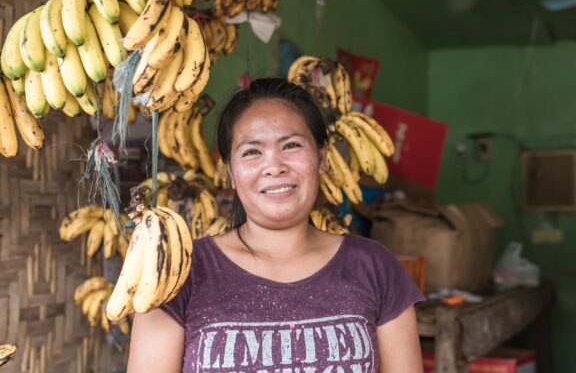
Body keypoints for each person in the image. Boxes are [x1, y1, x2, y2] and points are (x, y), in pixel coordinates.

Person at [127, 78, 425, 372]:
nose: (274, 166)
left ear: (321, 158)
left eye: (291, 145)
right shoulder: (179, 274)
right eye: (252, 152)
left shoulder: (375, 267)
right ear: (230, 172)